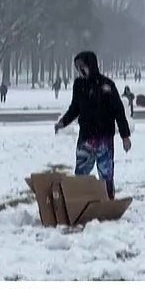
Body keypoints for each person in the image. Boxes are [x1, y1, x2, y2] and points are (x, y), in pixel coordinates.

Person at [55, 51, 132, 199]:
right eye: (77, 67)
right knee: (81, 172)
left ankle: (108, 199)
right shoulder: (78, 85)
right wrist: (63, 122)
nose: (80, 70)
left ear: (91, 65)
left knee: (106, 173)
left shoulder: (107, 85)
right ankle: (80, 200)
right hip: (86, 137)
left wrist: (125, 136)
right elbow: (75, 108)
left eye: (82, 66)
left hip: (104, 137)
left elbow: (119, 111)